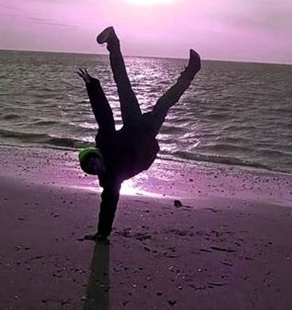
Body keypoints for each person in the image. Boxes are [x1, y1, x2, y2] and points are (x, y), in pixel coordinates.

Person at [77, 26, 201, 242]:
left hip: (132, 126)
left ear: (95, 154)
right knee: (164, 103)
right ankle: (192, 71)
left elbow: (104, 116)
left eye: (92, 160)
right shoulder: (111, 179)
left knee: (123, 86)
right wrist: (102, 233)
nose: (95, 165)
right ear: (93, 172)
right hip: (145, 138)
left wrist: (92, 86)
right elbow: (108, 203)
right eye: (92, 168)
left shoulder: (104, 143)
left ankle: (113, 41)